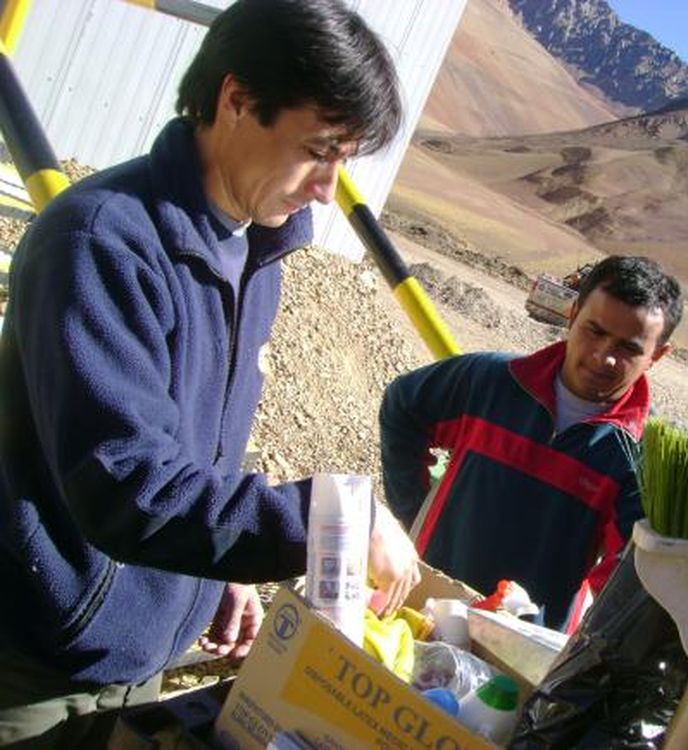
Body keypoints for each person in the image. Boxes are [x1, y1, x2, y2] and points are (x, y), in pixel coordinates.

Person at [0, 1, 419, 745]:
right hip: (34, 659)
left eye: (345, 159)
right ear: (236, 100)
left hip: (136, 650)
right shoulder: (100, 244)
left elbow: (193, 442)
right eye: (319, 150)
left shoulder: (255, 251)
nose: (329, 188)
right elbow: (128, 486)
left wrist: (214, 575)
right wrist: (330, 518)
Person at [380, 255, 683, 630]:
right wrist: (414, 511)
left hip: (529, 646)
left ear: (658, 355)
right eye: (594, 331)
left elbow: (625, 576)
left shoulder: (642, 456)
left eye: (628, 348)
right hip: (424, 607)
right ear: (572, 315)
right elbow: (402, 407)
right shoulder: (489, 381)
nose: (603, 356)